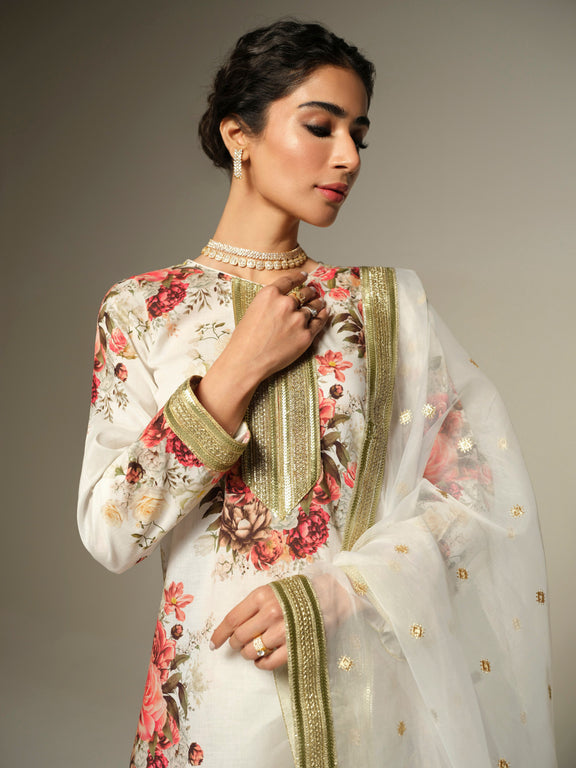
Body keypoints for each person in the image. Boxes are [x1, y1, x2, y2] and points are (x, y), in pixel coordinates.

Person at [77, 18, 557, 768]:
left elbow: (478, 501)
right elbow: (111, 533)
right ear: (239, 135)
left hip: (367, 701)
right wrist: (234, 372)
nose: (349, 156)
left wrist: (338, 592)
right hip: (213, 711)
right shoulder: (143, 310)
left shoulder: (382, 310)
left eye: (358, 134)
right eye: (321, 126)